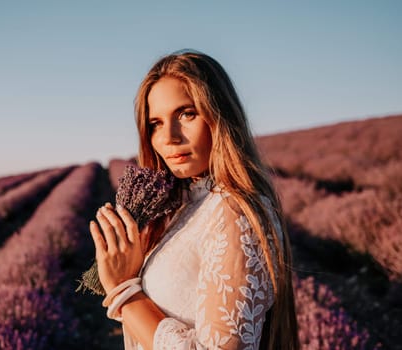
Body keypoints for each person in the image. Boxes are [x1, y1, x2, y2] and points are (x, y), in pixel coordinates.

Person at [89, 50, 299, 350]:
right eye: (155, 124)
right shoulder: (185, 206)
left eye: (187, 114)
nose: (169, 137)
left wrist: (124, 291)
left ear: (221, 116)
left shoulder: (233, 210)